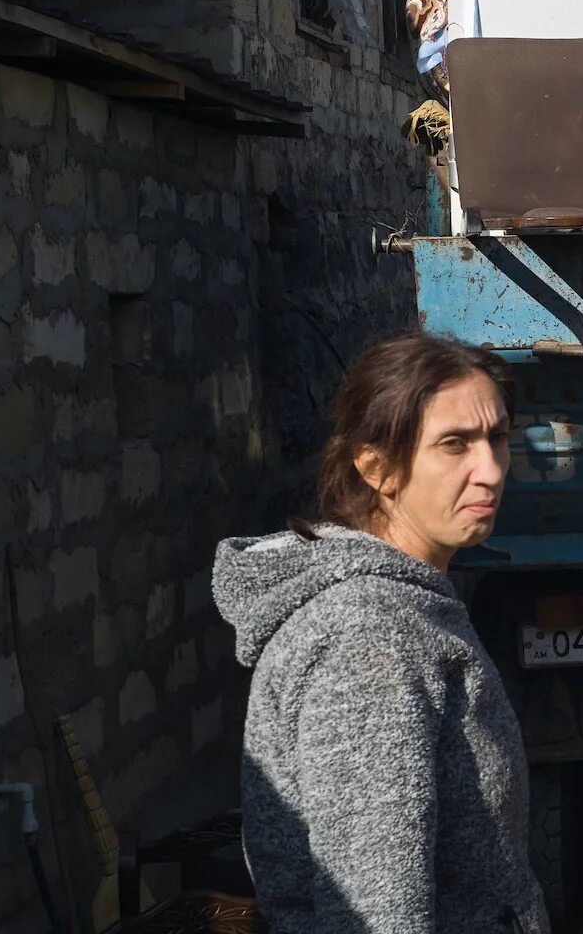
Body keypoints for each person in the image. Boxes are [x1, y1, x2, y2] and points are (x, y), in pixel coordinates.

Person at [213, 334, 549, 932]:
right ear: (376, 468)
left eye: (497, 438)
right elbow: (374, 908)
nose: (491, 470)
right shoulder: (371, 639)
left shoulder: (408, 604)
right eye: (454, 445)